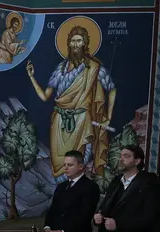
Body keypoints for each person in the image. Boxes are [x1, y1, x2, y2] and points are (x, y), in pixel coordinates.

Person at [26, 26, 115, 177]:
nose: (75, 44)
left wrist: (108, 117)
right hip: (59, 121)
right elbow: (45, 96)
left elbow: (111, 89)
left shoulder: (93, 68)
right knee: (59, 164)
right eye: (72, 41)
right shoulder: (61, 68)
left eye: (79, 41)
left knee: (79, 160)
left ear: (85, 43)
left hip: (81, 121)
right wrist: (31, 77)